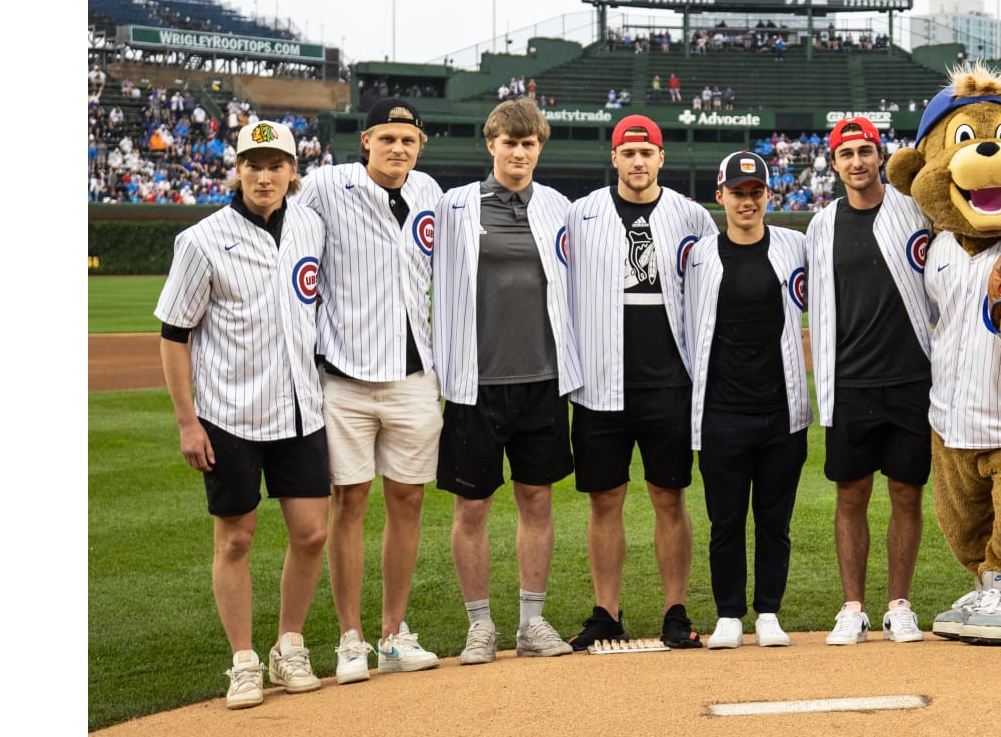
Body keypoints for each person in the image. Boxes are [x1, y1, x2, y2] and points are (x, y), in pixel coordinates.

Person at [155, 120, 329, 708]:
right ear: (237, 170)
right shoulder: (202, 239)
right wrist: (187, 420)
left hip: (302, 408)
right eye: (253, 164)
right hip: (230, 413)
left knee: (311, 532)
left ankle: (289, 644)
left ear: (291, 171)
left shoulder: (310, 224)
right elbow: (174, 334)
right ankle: (244, 660)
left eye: (275, 164)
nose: (264, 175)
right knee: (236, 539)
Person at [296, 98, 445, 682]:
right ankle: (350, 638)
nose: (398, 149)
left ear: (420, 145)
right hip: (345, 377)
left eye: (408, 140)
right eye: (387, 138)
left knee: (408, 501)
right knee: (350, 502)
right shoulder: (327, 185)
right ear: (366, 140)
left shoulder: (429, 193)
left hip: (414, 376)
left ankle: (393, 633)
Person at [431, 100, 583, 663]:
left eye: (529, 144)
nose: (519, 153)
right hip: (475, 382)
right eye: (509, 143)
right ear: (490, 144)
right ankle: (479, 625)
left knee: (536, 499)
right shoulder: (455, 207)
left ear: (539, 148)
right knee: (471, 508)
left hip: (543, 377)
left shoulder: (559, 208)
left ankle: (531, 622)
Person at [561, 114, 717, 649]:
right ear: (614, 158)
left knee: (668, 497)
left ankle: (675, 608)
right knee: (604, 499)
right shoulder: (580, 215)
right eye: (628, 154)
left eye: (646, 153)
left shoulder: (692, 216)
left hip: (668, 380)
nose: (637, 162)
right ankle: (606, 610)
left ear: (660, 157)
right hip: (600, 380)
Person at [805, 117, 934, 646]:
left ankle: (899, 604)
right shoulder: (822, 224)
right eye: (845, 154)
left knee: (907, 493)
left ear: (879, 156)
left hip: (911, 378)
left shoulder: (914, 210)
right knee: (851, 493)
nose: (856, 162)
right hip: (851, 381)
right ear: (833, 164)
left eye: (864, 151)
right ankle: (852, 606)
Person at [681, 151, 812, 648]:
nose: (747, 200)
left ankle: (769, 612)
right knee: (726, 520)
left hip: (782, 413)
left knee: (775, 521)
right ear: (721, 197)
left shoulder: (794, 245)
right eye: (738, 192)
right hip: (721, 413)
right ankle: (729, 614)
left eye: (756, 192)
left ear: (768, 196)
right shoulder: (699, 256)